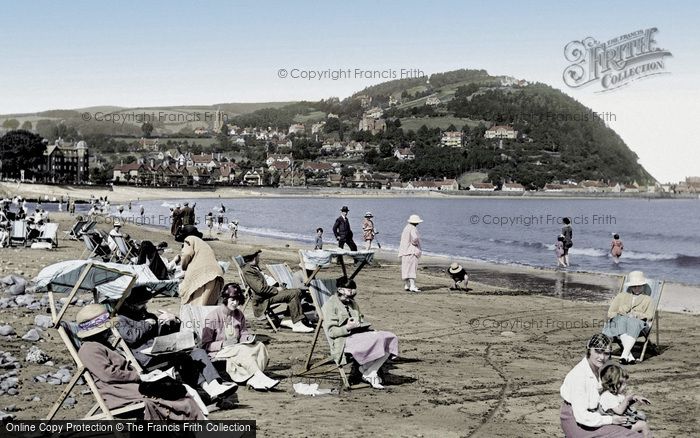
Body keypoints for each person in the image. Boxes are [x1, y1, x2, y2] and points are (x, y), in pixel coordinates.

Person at [75, 304, 206, 420]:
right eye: (107, 328)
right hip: (119, 391)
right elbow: (108, 375)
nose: (110, 330)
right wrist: (139, 376)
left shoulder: (101, 345)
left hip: (128, 385)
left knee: (180, 390)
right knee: (175, 395)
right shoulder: (89, 349)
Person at [114, 287, 238, 402]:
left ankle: (213, 385)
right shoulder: (119, 319)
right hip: (146, 359)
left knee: (198, 351)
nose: (144, 306)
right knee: (184, 358)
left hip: (160, 352)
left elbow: (165, 334)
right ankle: (207, 387)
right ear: (129, 304)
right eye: (141, 303)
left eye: (145, 303)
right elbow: (131, 337)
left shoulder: (146, 315)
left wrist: (172, 320)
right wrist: (147, 324)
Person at [322, 277, 399, 389]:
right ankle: (368, 371)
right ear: (340, 289)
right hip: (343, 340)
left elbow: (360, 320)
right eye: (349, 290)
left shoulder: (352, 303)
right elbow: (331, 332)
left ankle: (370, 371)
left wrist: (365, 327)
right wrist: (347, 327)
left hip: (358, 335)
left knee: (390, 337)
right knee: (378, 339)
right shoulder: (330, 305)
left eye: (354, 290)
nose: (352, 293)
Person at [201, 283, 279, 390]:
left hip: (236, 347)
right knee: (243, 350)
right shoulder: (213, 317)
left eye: (237, 300)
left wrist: (248, 338)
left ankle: (253, 379)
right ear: (225, 298)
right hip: (219, 351)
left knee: (260, 346)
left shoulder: (239, 314)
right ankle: (259, 375)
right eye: (232, 299)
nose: (235, 303)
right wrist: (223, 344)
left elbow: (243, 333)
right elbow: (205, 345)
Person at [560, 334, 638, 436]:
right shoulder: (579, 376)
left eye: (606, 353)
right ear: (589, 350)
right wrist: (610, 419)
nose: (601, 357)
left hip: (595, 416)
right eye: (598, 351)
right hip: (577, 423)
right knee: (632, 435)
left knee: (637, 427)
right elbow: (581, 416)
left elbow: (612, 392)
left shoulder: (599, 368)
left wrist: (631, 399)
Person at [241, 249, 314, 333]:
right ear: (253, 258)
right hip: (263, 299)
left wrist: (277, 286)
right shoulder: (248, 271)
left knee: (297, 291)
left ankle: (288, 318)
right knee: (294, 293)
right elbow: (260, 289)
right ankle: (297, 324)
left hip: (268, 294)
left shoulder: (253, 268)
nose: (259, 258)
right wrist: (277, 289)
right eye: (258, 256)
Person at [602, 271, 655, 364]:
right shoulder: (621, 296)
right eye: (634, 286)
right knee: (621, 321)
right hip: (621, 322)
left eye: (639, 286)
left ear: (643, 285)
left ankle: (624, 354)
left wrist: (636, 314)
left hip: (639, 324)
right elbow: (610, 313)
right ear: (631, 286)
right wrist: (622, 313)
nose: (637, 288)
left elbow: (650, 316)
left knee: (633, 322)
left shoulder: (648, 299)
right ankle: (628, 356)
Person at [599, 362, 653, 437]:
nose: (625, 386)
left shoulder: (617, 394)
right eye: (623, 384)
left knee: (642, 417)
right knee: (643, 425)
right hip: (613, 426)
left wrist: (635, 399)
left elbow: (625, 405)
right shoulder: (607, 396)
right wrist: (627, 399)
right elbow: (619, 411)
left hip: (621, 423)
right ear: (615, 384)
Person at [178, 236, 224, 305]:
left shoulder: (188, 239)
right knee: (208, 304)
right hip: (216, 272)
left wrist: (183, 266)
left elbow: (187, 253)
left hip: (202, 273)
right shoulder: (202, 244)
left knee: (196, 304)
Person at [399, 214, 423, 292]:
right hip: (411, 251)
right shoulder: (413, 228)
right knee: (412, 269)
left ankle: (406, 285)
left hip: (404, 251)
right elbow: (415, 238)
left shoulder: (406, 228)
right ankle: (412, 286)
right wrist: (415, 243)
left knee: (405, 268)